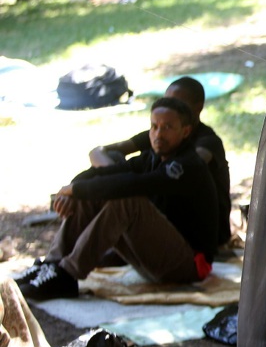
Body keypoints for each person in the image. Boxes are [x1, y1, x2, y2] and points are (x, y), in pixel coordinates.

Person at [15, 97, 219, 301]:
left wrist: (77, 189)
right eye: (154, 127)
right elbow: (111, 172)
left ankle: (68, 274)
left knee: (128, 201)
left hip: (190, 265)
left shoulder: (187, 165)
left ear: (185, 131)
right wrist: (71, 189)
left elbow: (132, 184)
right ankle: (52, 266)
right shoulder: (153, 158)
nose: (158, 134)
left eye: (167, 127)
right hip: (158, 258)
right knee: (91, 195)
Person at [89, 77, 233, 247]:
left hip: (195, 235)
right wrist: (117, 180)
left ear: (197, 109)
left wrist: (123, 184)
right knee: (106, 173)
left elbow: (184, 170)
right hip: (161, 219)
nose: (168, 108)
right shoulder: (159, 136)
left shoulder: (207, 143)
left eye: (176, 104)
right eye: (166, 101)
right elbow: (98, 152)